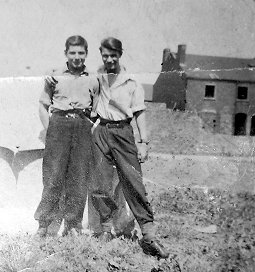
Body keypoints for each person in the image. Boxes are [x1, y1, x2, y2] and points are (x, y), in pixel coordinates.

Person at [90, 37, 169, 258]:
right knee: (100, 183)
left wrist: (144, 142)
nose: (109, 59)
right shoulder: (98, 77)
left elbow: (140, 112)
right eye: (105, 55)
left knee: (133, 182)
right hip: (102, 132)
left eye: (113, 55)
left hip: (124, 133)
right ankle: (105, 229)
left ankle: (148, 234)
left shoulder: (132, 82)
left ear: (120, 54)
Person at [34, 35, 99, 237]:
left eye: (81, 53)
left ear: (86, 54)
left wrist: (89, 127)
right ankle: (44, 224)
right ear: (66, 54)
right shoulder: (54, 76)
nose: (77, 57)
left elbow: (96, 111)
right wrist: (49, 129)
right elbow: (43, 105)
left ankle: (73, 226)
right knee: (53, 176)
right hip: (59, 124)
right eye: (73, 52)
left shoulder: (93, 78)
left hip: (82, 125)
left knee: (78, 177)